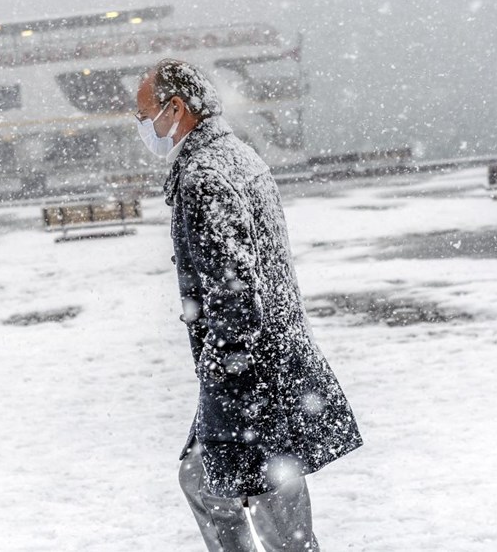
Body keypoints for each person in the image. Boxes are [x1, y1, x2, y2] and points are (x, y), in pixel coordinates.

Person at [136, 59, 362, 551]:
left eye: (144, 115)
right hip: (264, 363)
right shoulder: (236, 156)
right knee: (208, 482)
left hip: (253, 375)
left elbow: (236, 297)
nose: (142, 128)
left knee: (273, 511)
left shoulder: (206, 176)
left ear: (176, 109)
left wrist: (229, 383)